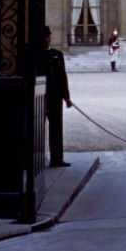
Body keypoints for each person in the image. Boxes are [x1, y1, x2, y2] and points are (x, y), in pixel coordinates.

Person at [43, 26, 72, 167]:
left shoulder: (57, 55)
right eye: (44, 37)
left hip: (55, 96)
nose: (46, 39)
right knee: (36, 128)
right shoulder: (35, 55)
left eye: (47, 36)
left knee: (56, 128)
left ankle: (57, 159)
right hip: (40, 97)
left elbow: (62, 77)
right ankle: (34, 160)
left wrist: (67, 97)